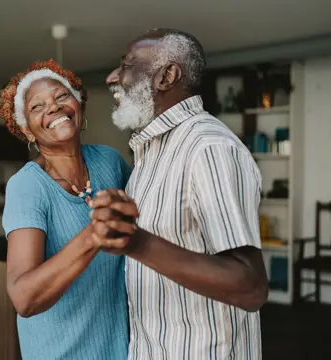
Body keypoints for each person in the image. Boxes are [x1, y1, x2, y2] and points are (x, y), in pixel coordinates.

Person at [88, 29, 269, 359]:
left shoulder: (208, 148)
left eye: (127, 64)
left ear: (166, 76)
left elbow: (250, 286)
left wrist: (136, 242)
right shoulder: (150, 153)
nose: (113, 76)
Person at [0, 59, 130, 360]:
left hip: (121, 351)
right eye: (37, 107)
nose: (54, 108)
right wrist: (93, 235)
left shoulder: (109, 162)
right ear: (27, 130)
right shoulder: (28, 187)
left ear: (78, 105)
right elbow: (24, 298)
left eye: (61, 97)